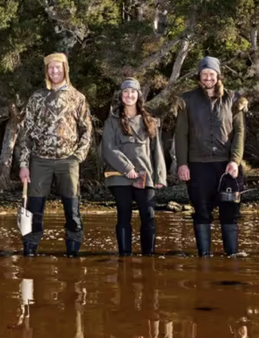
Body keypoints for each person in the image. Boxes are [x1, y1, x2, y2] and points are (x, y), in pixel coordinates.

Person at [18, 53, 93, 257]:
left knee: (72, 212)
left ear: (65, 69)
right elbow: (25, 133)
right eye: (51, 68)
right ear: (46, 71)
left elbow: (87, 129)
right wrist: (24, 164)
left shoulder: (78, 98)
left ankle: (73, 254)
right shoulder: (37, 97)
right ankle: (30, 253)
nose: (54, 71)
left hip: (67, 161)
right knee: (33, 212)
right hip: (39, 161)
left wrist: (78, 156)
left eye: (58, 67)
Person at [174, 56, 247, 257]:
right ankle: (204, 257)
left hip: (227, 166)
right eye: (204, 74)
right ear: (199, 76)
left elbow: (239, 132)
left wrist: (235, 160)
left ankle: (231, 256)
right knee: (202, 211)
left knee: (230, 213)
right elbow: (181, 134)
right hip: (198, 165)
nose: (208, 78)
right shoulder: (186, 100)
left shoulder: (233, 99)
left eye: (211, 74)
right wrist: (182, 163)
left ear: (218, 76)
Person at [101, 78, 166, 256]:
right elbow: (108, 148)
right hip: (120, 176)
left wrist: (160, 177)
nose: (129, 95)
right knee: (124, 216)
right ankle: (124, 257)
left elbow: (156, 151)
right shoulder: (112, 121)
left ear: (138, 96)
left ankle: (149, 256)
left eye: (133, 92)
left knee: (149, 216)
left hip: (146, 177)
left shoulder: (150, 121)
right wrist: (127, 168)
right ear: (121, 96)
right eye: (125, 92)